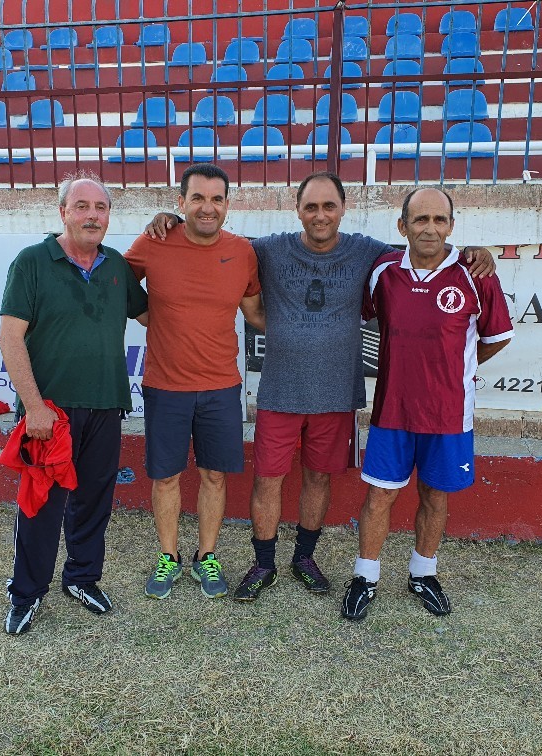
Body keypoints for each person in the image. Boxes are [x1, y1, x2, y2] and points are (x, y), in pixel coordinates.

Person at [144, 173, 496, 603]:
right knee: (267, 480)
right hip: (279, 391)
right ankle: (264, 563)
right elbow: (213, 235)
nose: (320, 215)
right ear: (297, 210)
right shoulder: (267, 249)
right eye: (311, 206)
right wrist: (171, 219)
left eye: (329, 206)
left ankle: (304, 558)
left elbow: (427, 248)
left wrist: (474, 253)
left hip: (336, 393)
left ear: (343, 209)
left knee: (318, 479)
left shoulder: (369, 253)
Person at [341, 187, 513, 622]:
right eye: (420, 219)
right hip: (392, 410)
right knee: (380, 495)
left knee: (435, 494)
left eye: (439, 220)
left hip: (448, 414)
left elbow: (496, 338)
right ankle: (365, 576)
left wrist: (456, 365)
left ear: (451, 226)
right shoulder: (383, 272)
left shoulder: (476, 274)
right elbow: (358, 316)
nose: (430, 228)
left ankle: (423, 573)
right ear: (403, 226)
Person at [0, 176, 148, 635]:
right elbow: (10, 338)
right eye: (81, 206)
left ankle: (82, 579)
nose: (92, 215)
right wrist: (34, 406)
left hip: (106, 404)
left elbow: (156, 315)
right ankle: (26, 593)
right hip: (51, 413)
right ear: (63, 211)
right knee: (40, 505)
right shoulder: (32, 261)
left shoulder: (116, 265)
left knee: (94, 502)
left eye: (100, 207)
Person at [124, 164, 265, 600]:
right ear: (181, 202)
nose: (208, 207)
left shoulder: (242, 251)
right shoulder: (154, 241)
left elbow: (256, 313)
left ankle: (207, 556)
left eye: (216, 199)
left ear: (227, 204)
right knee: (166, 477)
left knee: (214, 476)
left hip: (221, 386)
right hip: (165, 385)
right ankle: (169, 556)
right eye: (198, 198)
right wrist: (149, 315)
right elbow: (116, 283)